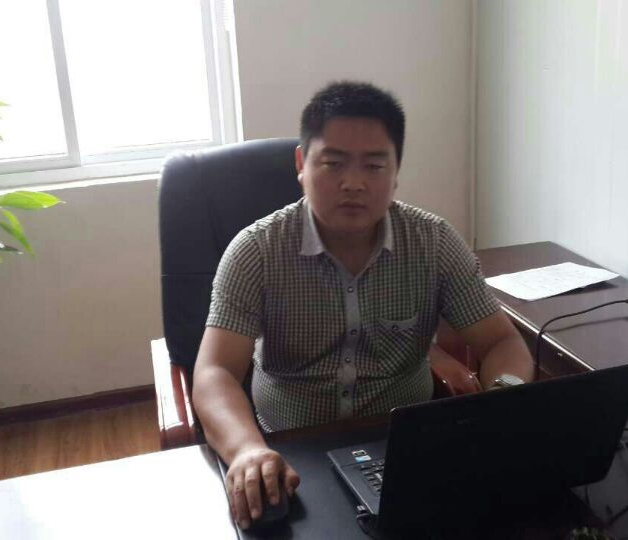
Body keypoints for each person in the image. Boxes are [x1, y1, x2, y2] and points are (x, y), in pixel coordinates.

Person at [192, 81, 533, 529]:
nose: (353, 183)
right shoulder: (256, 251)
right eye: (333, 163)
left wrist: (503, 402)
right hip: (290, 449)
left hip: (405, 448)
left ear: (396, 172)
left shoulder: (433, 243)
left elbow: (501, 342)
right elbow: (214, 372)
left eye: (374, 165)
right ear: (301, 164)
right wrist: (246, 449)